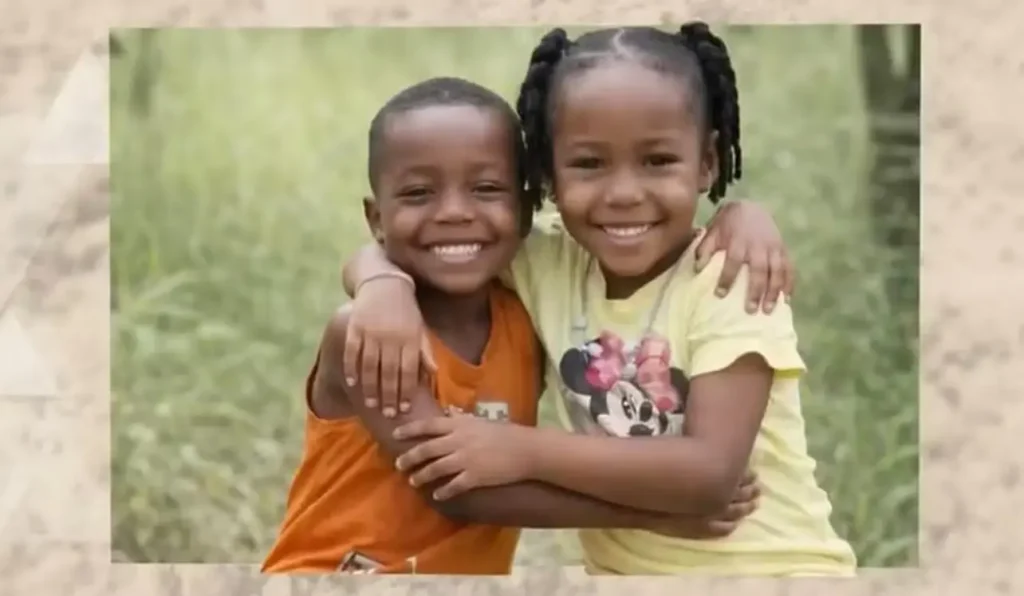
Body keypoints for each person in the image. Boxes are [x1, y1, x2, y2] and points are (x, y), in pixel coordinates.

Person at [340, 24, 858, 576]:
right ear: (545, 176)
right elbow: (431, 242)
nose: (624, 194)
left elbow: (710, 473)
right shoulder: (550, 265)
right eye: (589, 164)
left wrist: (522, 449)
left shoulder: (731, 278)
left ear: (707, 162)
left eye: (658, 161)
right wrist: (379, 283)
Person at [261, 76, 765, 576]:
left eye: (486, 189)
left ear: (525, 209)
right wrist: (661, 514)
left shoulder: (524, 312)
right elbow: (459, 491)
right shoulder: (366, 332)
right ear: (376, 219)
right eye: (418, 193)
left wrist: (741, 215)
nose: (454, 213)